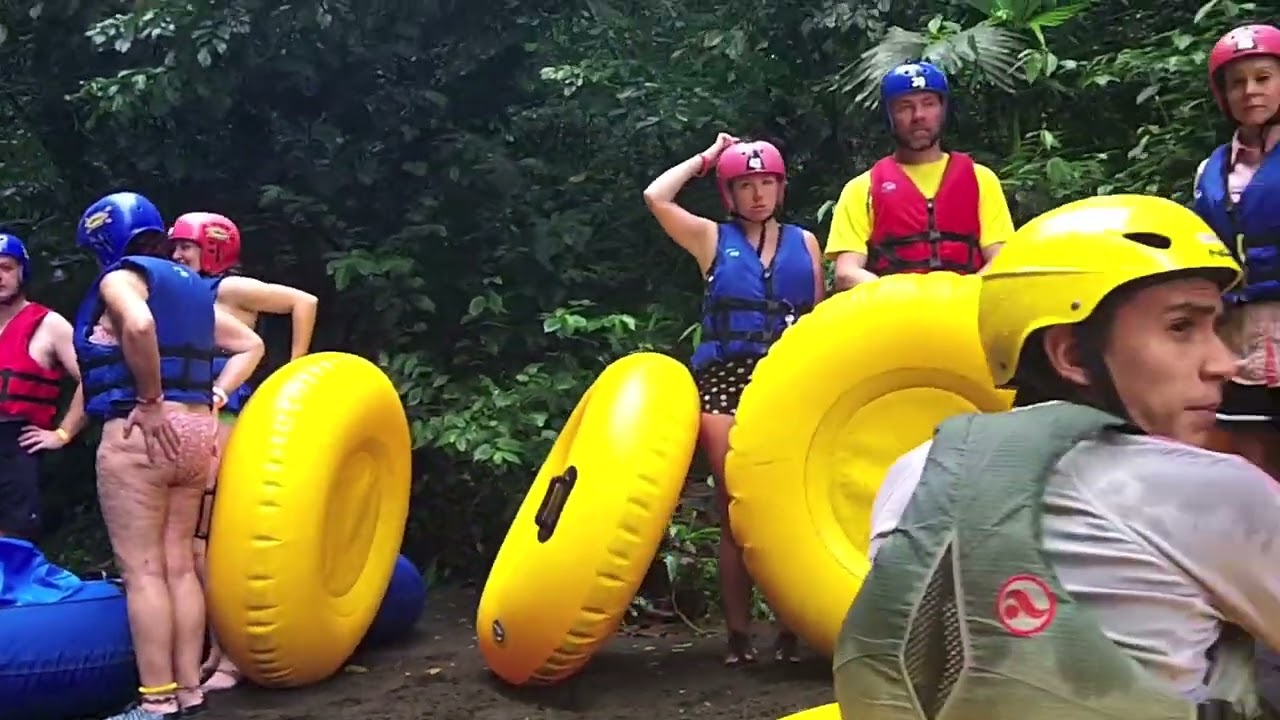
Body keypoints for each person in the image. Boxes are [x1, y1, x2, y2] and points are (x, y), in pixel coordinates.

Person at [833, 194, 1280, 719]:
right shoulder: (1211, 492)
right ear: (1070, 355)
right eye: (1182, 328)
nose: (1224, 363)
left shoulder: (916, 471)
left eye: (1218, 329)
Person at [74, 191, 264, 720]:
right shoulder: (194, 286)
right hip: (198, 432)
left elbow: (136, 326)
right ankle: (189, 692)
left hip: (142, 434)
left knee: (144, 571)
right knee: (180, 566)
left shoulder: (121, 279)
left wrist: (152, 399)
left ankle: (156, 702)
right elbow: (249, 344)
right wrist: (215, 397)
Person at [642, 134, 826, 665]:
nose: (759, 195)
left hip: (785, 380)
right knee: (735, 505)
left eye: (767, 183)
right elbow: (657, 197)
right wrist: (705, 157)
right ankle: (740, 635)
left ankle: (792, 625)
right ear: (730, 194)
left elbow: (816, 318)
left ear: (780, 188)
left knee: (788, 504)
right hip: (724, 384)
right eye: (747, 185)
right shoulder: (708, 239)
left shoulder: (805, 243)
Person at [167, 210, 318, 692]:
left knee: (213, 539)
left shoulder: (229, 290)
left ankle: (231, 657)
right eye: (175, 248)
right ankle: (213, 650)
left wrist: (294, 371)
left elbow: (304, 301)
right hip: (196, 418)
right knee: (192, 546)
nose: (176, 256)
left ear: (211, 248)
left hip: (226, 418)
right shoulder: (186, 295)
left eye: (185, 247)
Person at [825, 62, 1014, 291]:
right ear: (889, 115)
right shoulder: (861, 189)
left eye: (929, 104)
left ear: (943, 110)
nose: (919, 116)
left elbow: (1001, 260)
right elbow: (846, 272)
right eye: (905, 107)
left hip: (966, 308)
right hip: (892, 312)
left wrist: (963, 292)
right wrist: (901, 295)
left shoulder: (981, 179)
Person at [1192, 23, 1280, 480]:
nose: (1250, 92)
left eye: (1263, 78)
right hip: (1235, 329)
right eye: (1237, 83)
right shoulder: (1211, 168)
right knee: (1247, 453)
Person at [0, 233, 86, 540]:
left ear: (22, 271)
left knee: (12, 541)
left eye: (6, 267)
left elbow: (93, 379)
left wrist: (63, 433)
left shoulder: (49, 324)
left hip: (19, 447)